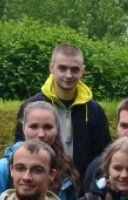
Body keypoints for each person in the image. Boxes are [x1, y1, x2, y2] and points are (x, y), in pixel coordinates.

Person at [12, 43, 110, 188]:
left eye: (75, 69)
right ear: (51, 68)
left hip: (82, 190)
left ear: (83, 71)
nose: (68, 75)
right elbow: (20, 147)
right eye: (62, 68)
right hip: (39, 186)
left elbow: (102, 156)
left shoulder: (95, 111)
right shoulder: (31, 106)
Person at [0, 100, 80, 200]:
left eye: (48, 127)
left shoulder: (66, 170)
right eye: (34, 127)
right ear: (23, 128)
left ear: (57, 129)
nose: (41, 134)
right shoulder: (2, 169)